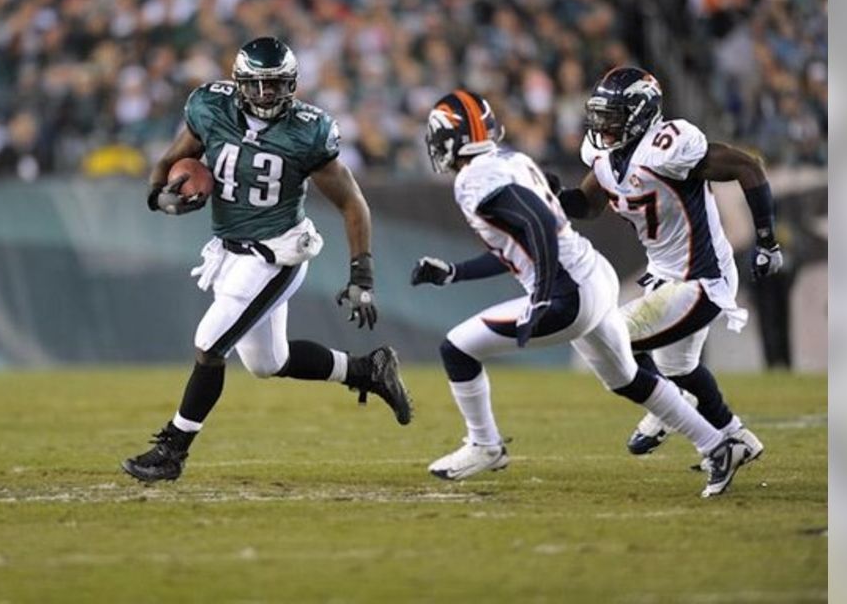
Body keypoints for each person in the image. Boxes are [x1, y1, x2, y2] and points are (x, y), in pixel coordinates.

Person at [410, 89, 754, 497]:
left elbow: (537, 222)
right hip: (594, 276)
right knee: (626, 377)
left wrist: (540, 296)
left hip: (567, 294)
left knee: (457, 349)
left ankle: (485, 445)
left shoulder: (473, 178)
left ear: (449, 139)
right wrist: (454, 273)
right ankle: (718, 445)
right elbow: (519, 249)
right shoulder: (510, 161)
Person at [121, 37, 413, 483]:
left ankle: (172, 451)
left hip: (277, 253)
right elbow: (169, 162)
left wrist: (362, 274)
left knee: (209, 343)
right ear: (239, 84)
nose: (265, 96)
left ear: (291, 85)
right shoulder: (209, 107)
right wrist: (160, 198)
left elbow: (353, 204)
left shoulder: (308, 130)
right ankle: (367, 369)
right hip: (230, 250)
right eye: (256, 86)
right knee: (266, 363)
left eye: (275, 85)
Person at [555, 66, 781, 461]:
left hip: (701, 277)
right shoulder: (606, 157)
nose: (604, 124)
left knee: (611, 337)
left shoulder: (668, 146)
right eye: (601, 114)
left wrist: (767, 241)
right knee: (680, 367)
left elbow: (748, 167)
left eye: (615, 114)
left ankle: (669, 408)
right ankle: (736, 436)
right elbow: (587, 204)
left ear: (642, 112)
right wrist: (549, 197)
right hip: (665, 277)